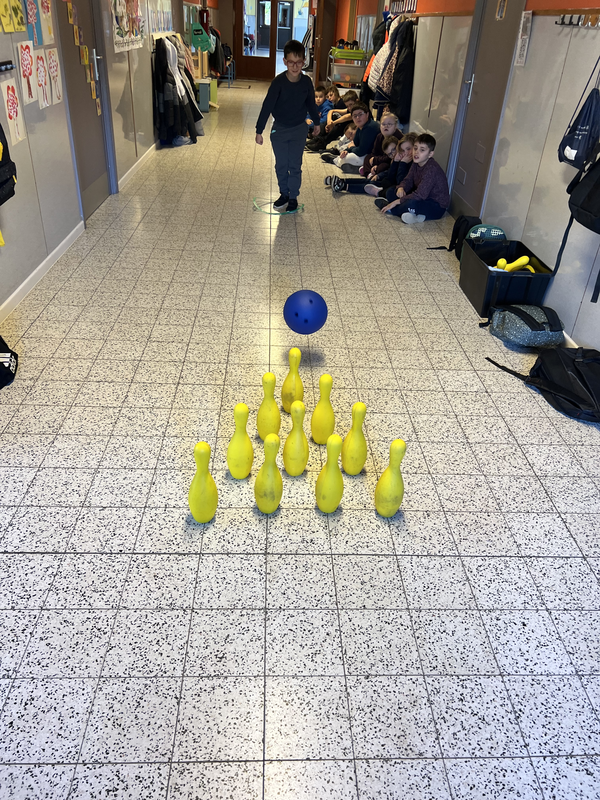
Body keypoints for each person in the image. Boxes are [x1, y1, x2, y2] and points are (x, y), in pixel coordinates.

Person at [255, 39, 320, 213]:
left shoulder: (306, 82)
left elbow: (311, 104)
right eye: (291, 62)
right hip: (280, 130)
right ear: (284, 61)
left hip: (299, 129)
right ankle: (284, 193)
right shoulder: (278, 83)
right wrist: (259, 130)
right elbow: (267, 106)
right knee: (281, 165)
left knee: (295, 165)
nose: (295, 66)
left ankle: (293, 197)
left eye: (299, 62)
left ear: (304, 62)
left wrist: (316, 122)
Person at [375, 133, 449, 223]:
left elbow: (420, 195)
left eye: (422, 150)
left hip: (435, 206)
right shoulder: (416, 163)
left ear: (430, 154)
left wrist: (397, 202)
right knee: (391, 192)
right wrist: (401, 187)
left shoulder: (431, 169)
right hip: (421, 199)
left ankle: (392, 209)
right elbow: (408, 180)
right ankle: (414, 215)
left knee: (411, 203)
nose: (416, 152)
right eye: (415, 148)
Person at [325, 135, 402, 193]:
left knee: (370, 184)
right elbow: (389, 172)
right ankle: (341, 180)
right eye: (390, 154)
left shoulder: (400, 159)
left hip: (391, 185)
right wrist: (379, 175)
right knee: (367, 181)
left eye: (394, 149)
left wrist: (380, 175)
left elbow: (392, 176)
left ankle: (343, 186)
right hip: (386, 179)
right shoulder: (395, 159)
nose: (393, 154)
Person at [320, 102, 379, 168]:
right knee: (346, 155)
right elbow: (355, 143)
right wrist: (346, 151)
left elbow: (361, 151)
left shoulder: (370, 127)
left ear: (367, 114)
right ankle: (340, 160)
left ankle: (336, 160)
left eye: (360, 114)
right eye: (355, 116)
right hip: (365, 154)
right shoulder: (360, 126)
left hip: (373, 157)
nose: (358, 118)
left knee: (348, 158)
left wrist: (351, 148)